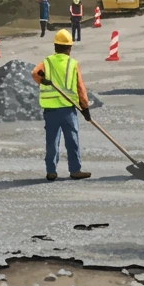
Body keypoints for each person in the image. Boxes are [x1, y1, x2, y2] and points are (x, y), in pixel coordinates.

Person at [32, 29, 92, 181]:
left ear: (55, 46)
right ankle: (75, 170)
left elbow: (34, 73)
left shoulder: (47, 62)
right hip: (67, 109)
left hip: (50, 110)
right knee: (72, 139)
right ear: (69, 48)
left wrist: (42, 80)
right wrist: (85, 108)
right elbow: (80, 88)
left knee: (52, 140)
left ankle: (51, 171)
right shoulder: (72, 64)